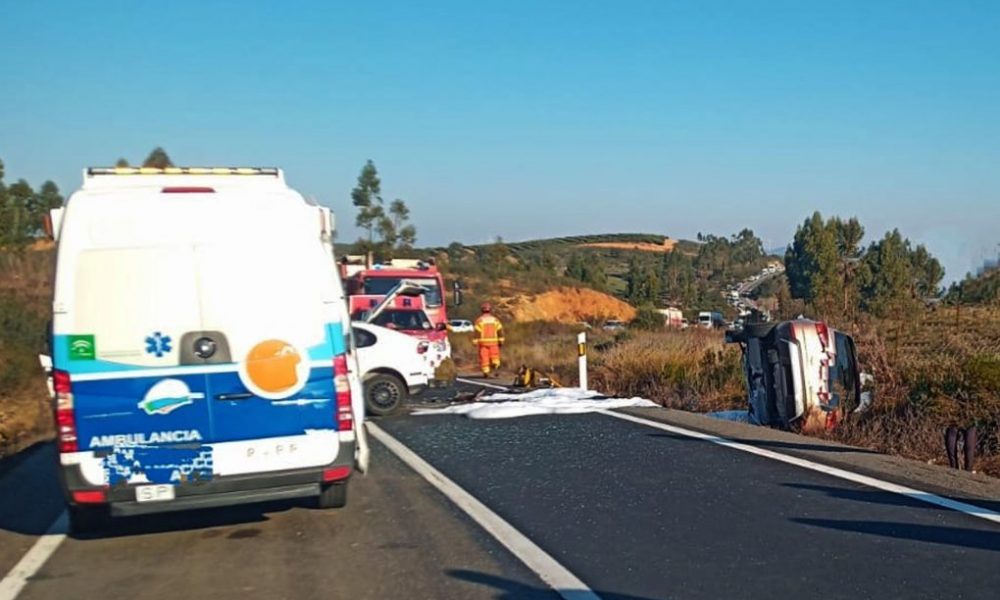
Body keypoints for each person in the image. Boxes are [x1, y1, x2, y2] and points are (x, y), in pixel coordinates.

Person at [473, 302, 504, 377]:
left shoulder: (480, 320)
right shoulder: (495, 320)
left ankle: (486, 371)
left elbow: (477, 332)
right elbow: (500, 331)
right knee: (495, 356)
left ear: (482, 310)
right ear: (490, 310)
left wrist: (475, 341)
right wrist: (501, 340)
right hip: (494, 342)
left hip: (483, 343)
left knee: (484, 357)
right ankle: (496, 365)